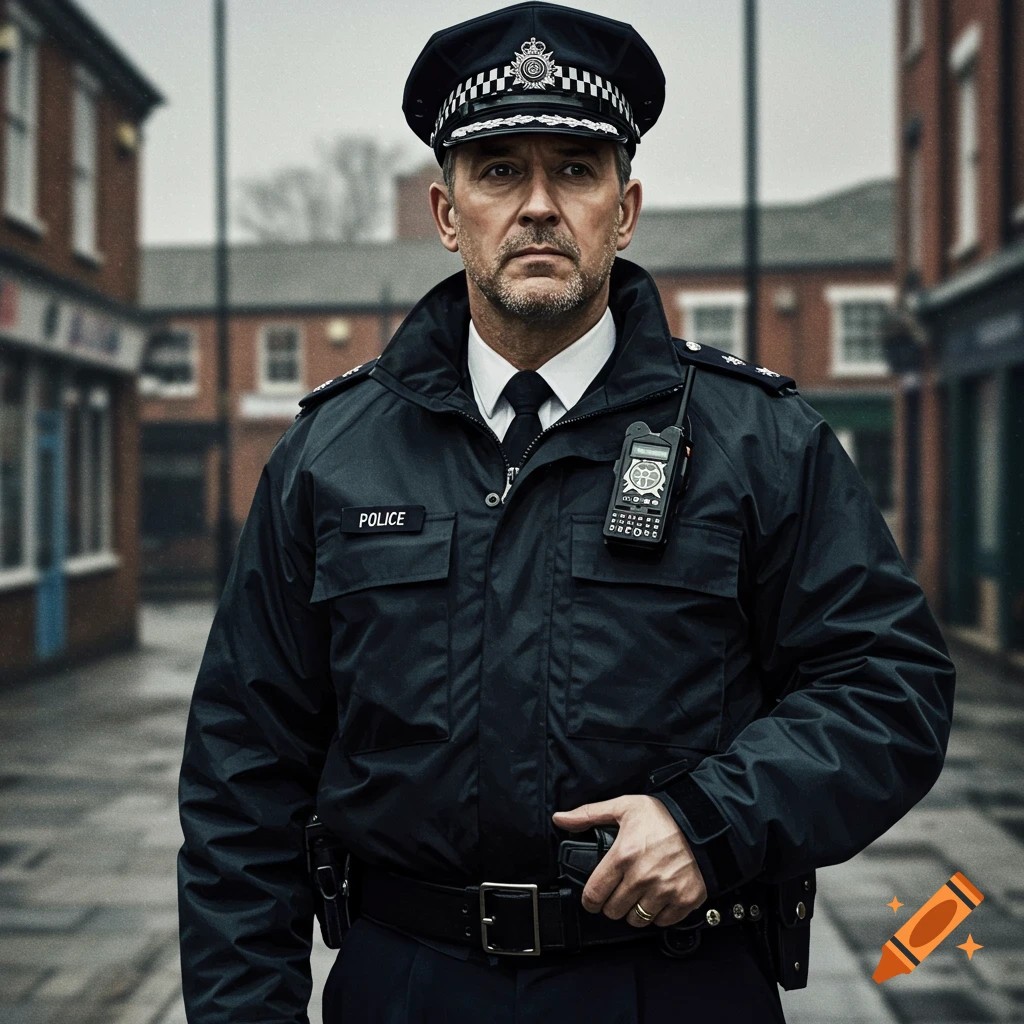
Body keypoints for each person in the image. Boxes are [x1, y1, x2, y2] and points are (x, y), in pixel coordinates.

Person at [176, 3, 957, 1022]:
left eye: (575, 170)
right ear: (447, 213)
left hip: (672, 986)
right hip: (407, 984)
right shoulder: (330, 453)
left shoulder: (759, 441)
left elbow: (888, 685)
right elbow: (244, 770)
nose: (538, 205)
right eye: (499, 170)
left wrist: (709, 820)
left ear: (622, 209)